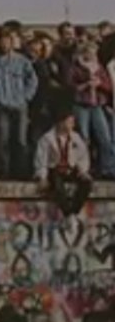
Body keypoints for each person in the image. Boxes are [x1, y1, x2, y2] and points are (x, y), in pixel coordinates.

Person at [0, 32, 39, 179]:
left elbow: (32, 80)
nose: (5, 44)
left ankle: (21, 172)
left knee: (20, 140)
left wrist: (26, 97)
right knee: (3, 139)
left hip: (19, 105)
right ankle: (4, 171)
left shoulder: (22, 61)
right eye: (2, 42)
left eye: (8, 41)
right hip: (1, 106)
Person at [70, 42, 115, 178]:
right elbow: (69, 86)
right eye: (89, 52)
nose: (92, 55)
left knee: (104, 137)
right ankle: (83, 168)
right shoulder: (75, 67)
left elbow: (109, 86)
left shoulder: (99, 68)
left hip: (97, 105)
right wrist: (85, 85)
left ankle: (108, 168)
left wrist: (99, 84)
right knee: (84, 137)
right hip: (81, 105)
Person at [35, 111, 92, 217]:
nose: (72, 125)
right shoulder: (47, 138)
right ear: (61, 123)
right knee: (58, 187)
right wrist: (43, 177)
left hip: (71, 168)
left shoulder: (76, 137)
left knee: (86, 183)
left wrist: (83, 170)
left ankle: (74, 211)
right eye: (69, 122)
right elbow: (42, 159)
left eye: (73, 122)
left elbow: (83, 156)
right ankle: (67, 213)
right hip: (55, 169)